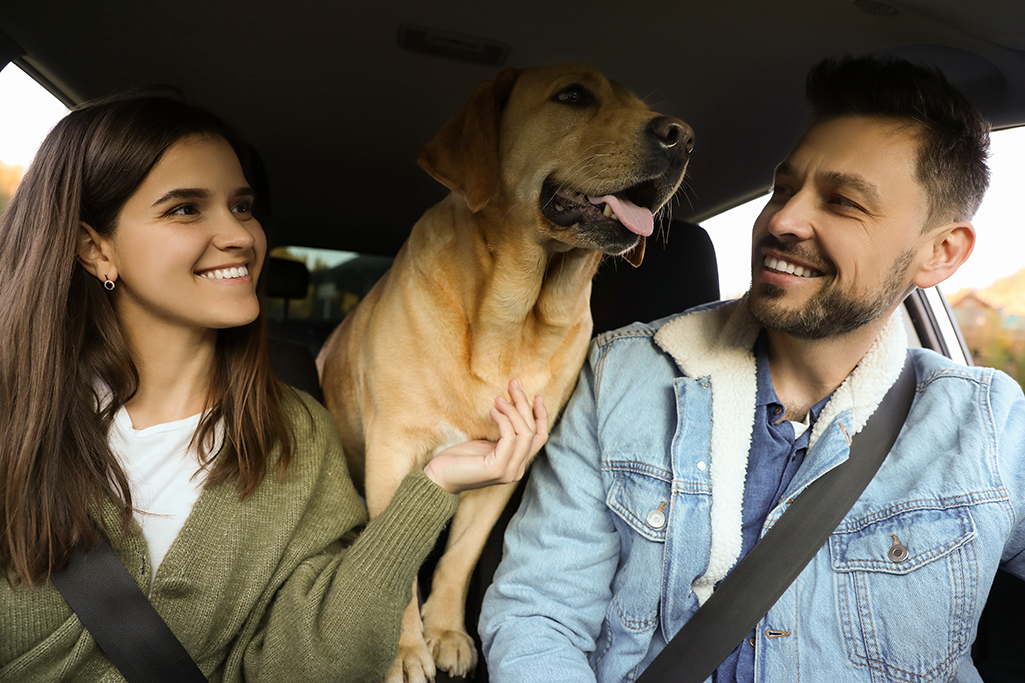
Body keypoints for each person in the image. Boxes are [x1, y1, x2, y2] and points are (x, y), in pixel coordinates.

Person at [480, 55, 1025, 682]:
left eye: (843, 202)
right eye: (785, 187)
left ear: (939, 253)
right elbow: (539, 615)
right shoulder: (622, 376)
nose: (784, 220)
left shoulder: (990, 429)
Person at [0, 95, 548, 682]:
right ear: (95, 248)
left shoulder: (297, 434)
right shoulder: (15, 414)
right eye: (186, 209)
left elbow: (306, 663)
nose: (238, 234)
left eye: (242, 206)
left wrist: (433, 485)